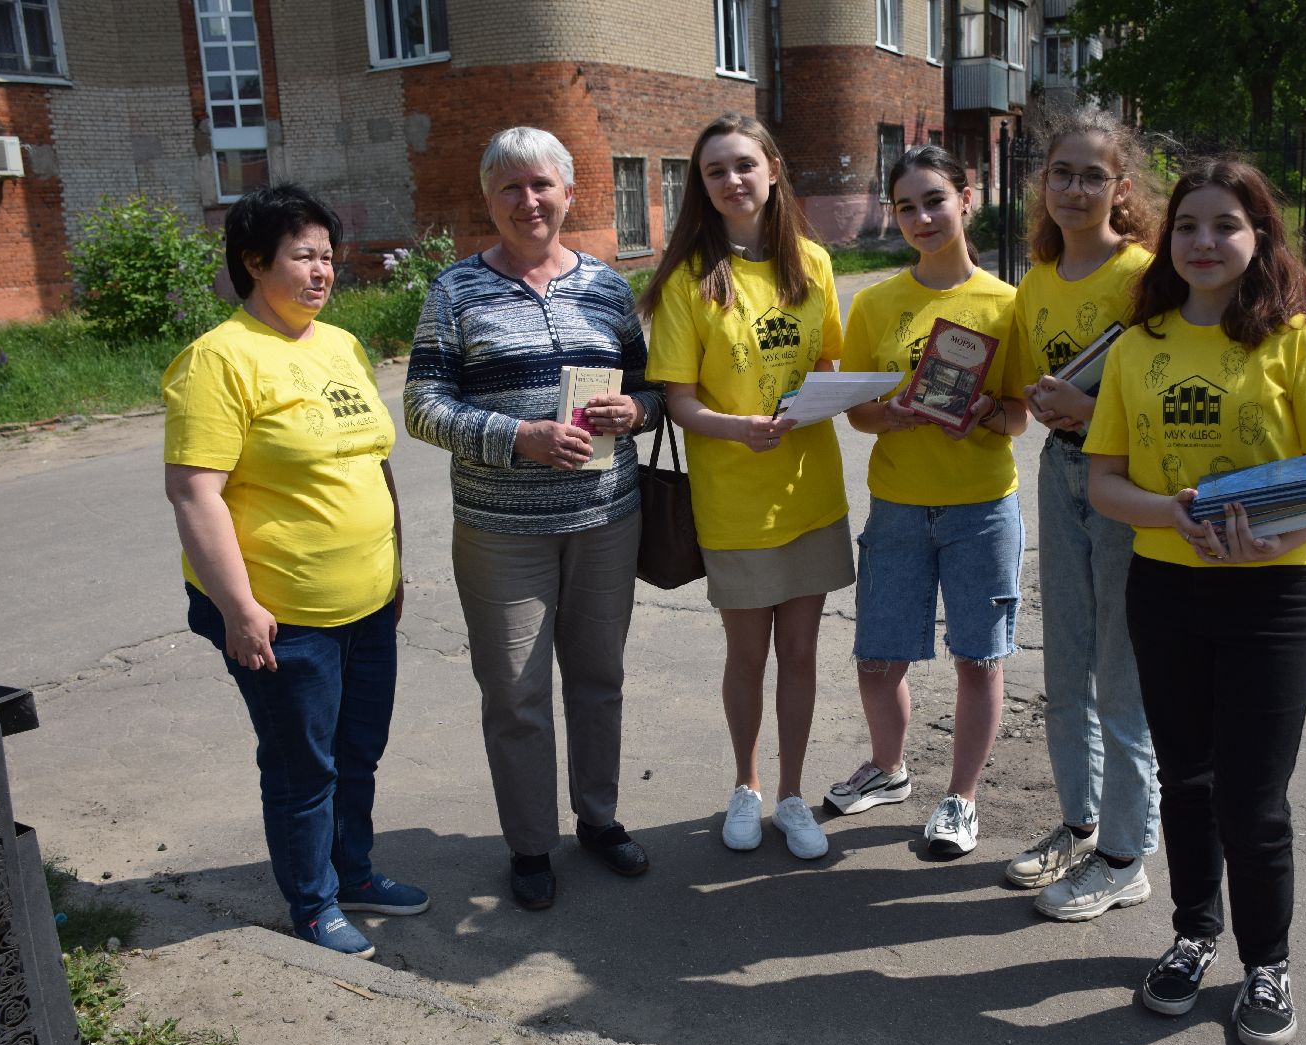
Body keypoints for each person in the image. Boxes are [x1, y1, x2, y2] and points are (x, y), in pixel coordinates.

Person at [1085, 159, 1306, 1045]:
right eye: (1189, 226)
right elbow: (1103, 482)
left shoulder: (1301, 342)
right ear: (1170, 242)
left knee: (1254, 793)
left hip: (1273, 595)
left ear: (1260, 237)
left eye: (1225, 225)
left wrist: (1279, 536)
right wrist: (1168, 512)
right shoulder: (1140, 345)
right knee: (1188, 780)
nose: (1205, 242)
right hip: (1165, 588)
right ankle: (1192, 934)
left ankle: (1266, 962)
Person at [164, 183, 426, 960]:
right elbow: (194, 491)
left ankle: (354, 872)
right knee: (301, 766)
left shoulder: (340, 346)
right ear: (254, 262)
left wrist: (396, 566)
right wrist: (238, 606)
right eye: (302, 256)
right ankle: (311, 904)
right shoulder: (217, 361)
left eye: (328, 257)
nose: (322, 272)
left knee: (358, 752)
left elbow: (375, 464)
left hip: (369, 601)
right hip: (283, 615)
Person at [405, 127, 663, 910]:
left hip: (604, 518)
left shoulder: (608, 288)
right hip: (499, 530)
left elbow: (654, 392)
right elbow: (422, 406)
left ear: (569, 192)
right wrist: (517, 437)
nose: (528, 201)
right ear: (490, 200)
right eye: (510, 188)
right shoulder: (455, 292)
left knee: (598, 677)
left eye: (541, 185)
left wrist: (635, 409)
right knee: (514, 694)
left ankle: (600, 819)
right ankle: (529, 844)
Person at [639, 114, 853, 860]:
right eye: (714, 171)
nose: (732, 181)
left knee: (800, 652)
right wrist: (741, 428)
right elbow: (678, 398)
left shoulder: (814, 265)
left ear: (772, 168)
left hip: (811, 489)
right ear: (703, 187)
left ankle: (792, 795)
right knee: (747, 654)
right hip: (732, 494)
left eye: (742, 165)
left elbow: (828, 364)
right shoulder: (688, 282)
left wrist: (835, 394)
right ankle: (746, 785)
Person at [824, 145, 1027, 858]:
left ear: (966, 199)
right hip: (900, 505)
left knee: (979, 657)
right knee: (878, 656)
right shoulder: (877, 302)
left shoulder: (1007, 303)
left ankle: (961, 800)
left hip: (981, 507)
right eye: (905, 206)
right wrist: (897, 412)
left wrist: (984, 416)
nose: (922, 217)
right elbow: (859, 413)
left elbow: (1019, 415)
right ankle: (887, 769)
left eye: (935, 199)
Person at [998, 106, 1166, 918]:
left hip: (1124, 485)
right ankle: (1080, 821)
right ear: (1043, 184)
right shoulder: (1035, 281)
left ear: (1121, 188)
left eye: (1092, 175)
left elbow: (1160, 405)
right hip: (1059, 477)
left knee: (1119, 669)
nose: (1074, 188)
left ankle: (1128, 853)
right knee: (1064, 663)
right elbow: (1040, 400)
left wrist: (1084, 411)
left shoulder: (1144, 276)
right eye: (1061, 173)